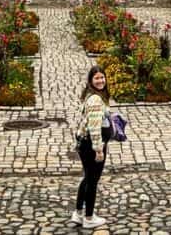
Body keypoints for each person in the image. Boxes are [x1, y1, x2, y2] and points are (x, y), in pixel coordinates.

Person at [71, 65, 113, 229]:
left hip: (85, 142)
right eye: (97, 78)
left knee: (87, 177)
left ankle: (78, 213)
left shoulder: (91, 95)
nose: (101, 80)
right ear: (90, 80)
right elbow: (95, 128)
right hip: (92, 145)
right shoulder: (95, 99)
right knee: (92, 180)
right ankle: (89, 217)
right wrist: (99, 149)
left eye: (102, 77)